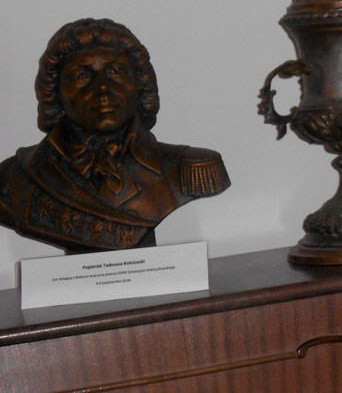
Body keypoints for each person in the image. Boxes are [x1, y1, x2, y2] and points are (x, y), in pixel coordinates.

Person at [0, 18, 230, 252]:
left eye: (117, 71)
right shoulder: (14, 178)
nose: (102, 88)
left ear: (140, 83)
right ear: (55, 93)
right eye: (80, 76)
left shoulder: (188, 168)